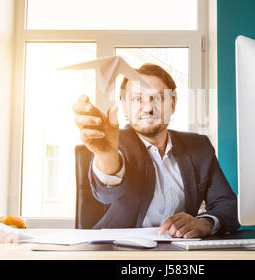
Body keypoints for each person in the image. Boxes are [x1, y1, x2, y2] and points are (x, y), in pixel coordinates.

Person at [73, 63, 238, 238]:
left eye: (158, 98)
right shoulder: (114, 144)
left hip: (180, 254)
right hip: (117, 253)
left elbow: (228, 205)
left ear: (173, 105)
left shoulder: (199, 147)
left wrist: (205, 223)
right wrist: (106, 155)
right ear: (124, 106)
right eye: (138, 99)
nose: (149, 108)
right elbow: (107, 192)